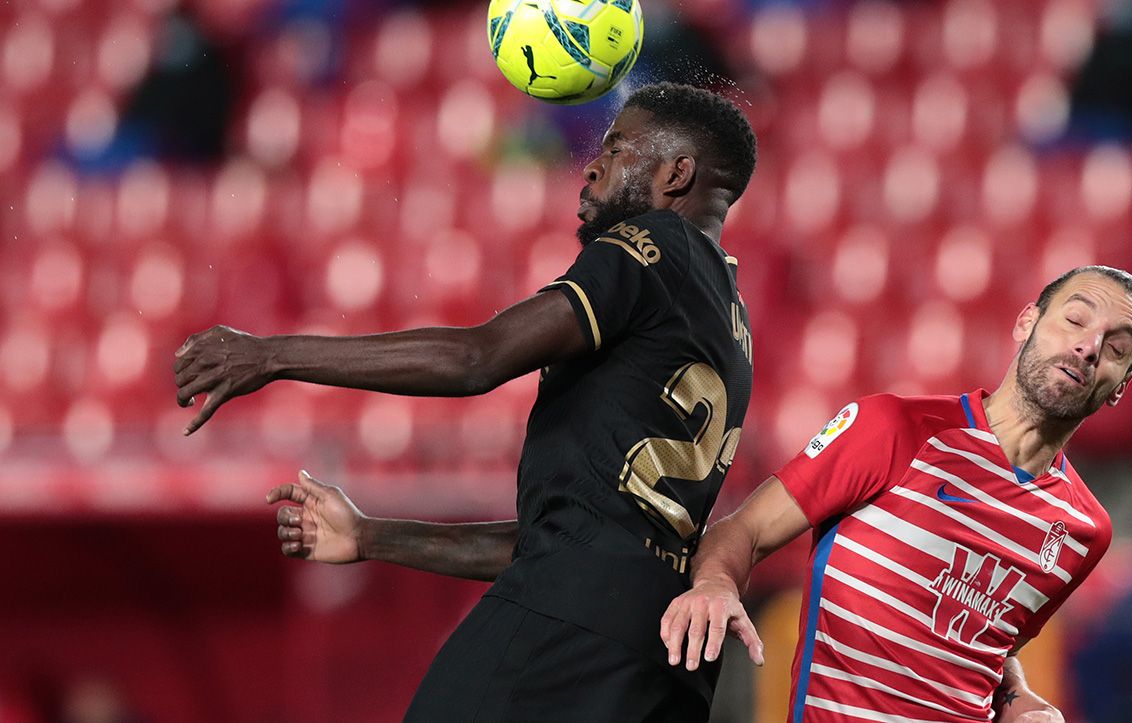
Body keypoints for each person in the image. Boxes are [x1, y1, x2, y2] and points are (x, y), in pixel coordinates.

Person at [172, 82, 759, 722]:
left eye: (618, 149)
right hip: (668, 656)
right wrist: (371, 536)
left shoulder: (653, 246)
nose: (593, 165)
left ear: (678, 174)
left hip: (567, 633)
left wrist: (271, 356)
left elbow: (477, 358)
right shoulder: (731, 323)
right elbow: (565, 542)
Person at [660, 266, 1132, 723]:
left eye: (1117, 348)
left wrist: (1017, 698)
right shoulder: (894, 429)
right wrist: (715, 584)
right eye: (1075, 319)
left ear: (1121, 386)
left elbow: (991, 644)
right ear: (1026, 322)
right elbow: (742, 531)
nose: (1090, 346)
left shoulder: (1084, 531)